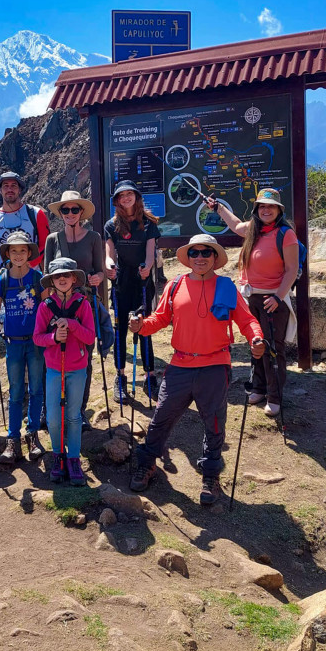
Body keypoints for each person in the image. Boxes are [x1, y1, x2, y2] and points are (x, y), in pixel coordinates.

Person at [128, 234, 264, 506]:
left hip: (215, 365)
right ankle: (147, 464)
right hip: (180, 364)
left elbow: (247, 320)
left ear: (215, 258)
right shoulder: (176, 284)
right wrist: (141, 326)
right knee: (161, 418)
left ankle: (210, 476)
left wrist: (256, 339)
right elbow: (161, 318)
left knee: (214, 424)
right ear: (188, 258)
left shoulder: (226, 286)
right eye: (194, 253)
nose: (200, 257)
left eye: (206, 252)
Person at [203, 188, 298, 417]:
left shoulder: (286, 234)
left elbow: (292, 269)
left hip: (273, 298)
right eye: (262, 206)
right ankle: (258, 387)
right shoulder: (253, 230)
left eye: (271, 206)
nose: (266, 210)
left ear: (278, 210)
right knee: (256, 344)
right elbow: (235, 225)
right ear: (257, 209)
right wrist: (218, 207)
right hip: (251, 296)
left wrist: (277, 297)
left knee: (273, 348)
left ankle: (274, 397)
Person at [44, 190, 106, 429]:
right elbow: (48, 277)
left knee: (83, 358)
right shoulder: (52, 240)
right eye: (65, 210)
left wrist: (98, 279)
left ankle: (79, 411)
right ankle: (59, 409)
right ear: (61, 213)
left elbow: (100, 270)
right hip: (58, 307)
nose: (70, 213)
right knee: (57, 356)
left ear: (81, 212)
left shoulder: (93, 238)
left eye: (74, 209)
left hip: (84, 305)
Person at [33, 258, 96, 486]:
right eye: (58, 276)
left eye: (67, 275)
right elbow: (37, 338)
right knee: (52, 417)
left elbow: (90, 337)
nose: (62, 279)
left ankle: (73, 458)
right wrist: (53, 338)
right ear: (52, 280)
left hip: (77, 368)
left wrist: (72, 325)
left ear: (73, 279)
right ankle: (58, 455)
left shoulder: (83, 305)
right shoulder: (45, 307)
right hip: (53, 369)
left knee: (73, 416)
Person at [0, 230, 46, 464]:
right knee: (16, 391)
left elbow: (46, 305)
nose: (19, 254)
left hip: (36, 341)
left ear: (29, 252)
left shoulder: (37, 277)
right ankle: (13, 439)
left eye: (22, 250)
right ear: (7, 254)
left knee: (36, 389)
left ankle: (31, 435)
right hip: (13, 343)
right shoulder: (2, 281)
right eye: (14, 251)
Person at [103, 180, 160, 404]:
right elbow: (109, 252)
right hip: (121, 281)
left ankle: (150, 376)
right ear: (116, 200)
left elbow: (150, 252)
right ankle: (120, 378)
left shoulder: (149, 224)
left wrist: (147, 268)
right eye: (121, 195)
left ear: (136, 196)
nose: (126, 198)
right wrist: (109, 265)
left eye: (129, 194)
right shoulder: (112, 225)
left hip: (143, 281)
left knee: (144, 327)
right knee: (120, 331)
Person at [0, 171, 50, 280]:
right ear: (0, 190)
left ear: (20, 189)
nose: (9, 189)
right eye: (5, 186)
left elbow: (46, 244)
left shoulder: (36, 214)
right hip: (5, 281)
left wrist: (30, 264)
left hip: (33, 278)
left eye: (14, 186)